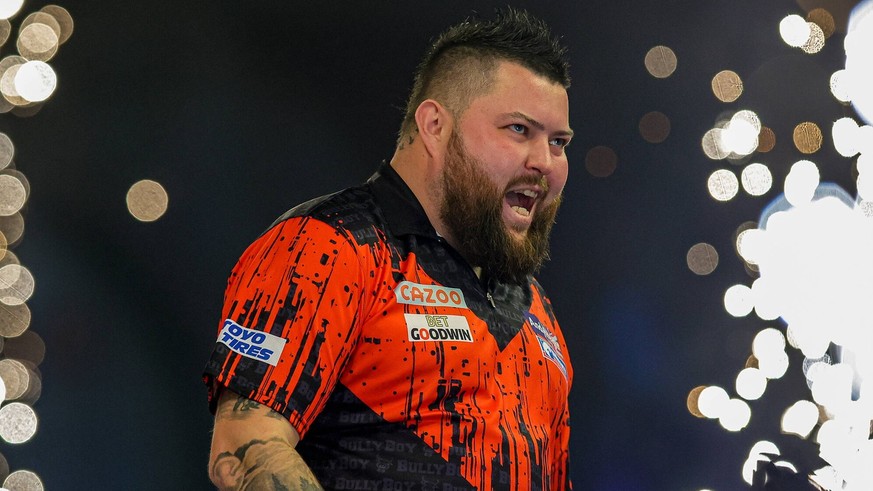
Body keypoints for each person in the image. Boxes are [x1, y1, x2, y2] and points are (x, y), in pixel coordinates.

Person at [204, 7, 575, 490]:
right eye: (519, 130)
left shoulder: (535, 308)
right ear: (435, 126)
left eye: (560, 142)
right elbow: (245, 446)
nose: (545, 163)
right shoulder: (327, 245)